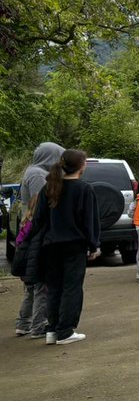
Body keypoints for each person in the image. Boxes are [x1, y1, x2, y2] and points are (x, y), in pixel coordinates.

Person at [27, 149, 100, 345]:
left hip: (50, 245)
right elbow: (90, 221)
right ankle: (65, 331)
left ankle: (52, 330)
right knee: (72, 287)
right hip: (74, 245)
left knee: (54, 287)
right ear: (81, 165)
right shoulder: (83, 189)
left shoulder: (49, 187)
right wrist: (93, 244)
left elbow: (38, 220)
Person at [14, 141, 64, 338]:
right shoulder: (37, 174)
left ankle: (23, 323)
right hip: (36, 234)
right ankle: (38, 325)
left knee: (31, 284)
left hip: (30, 231)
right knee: (41, 285)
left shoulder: (32, 171)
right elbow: (40, 202)